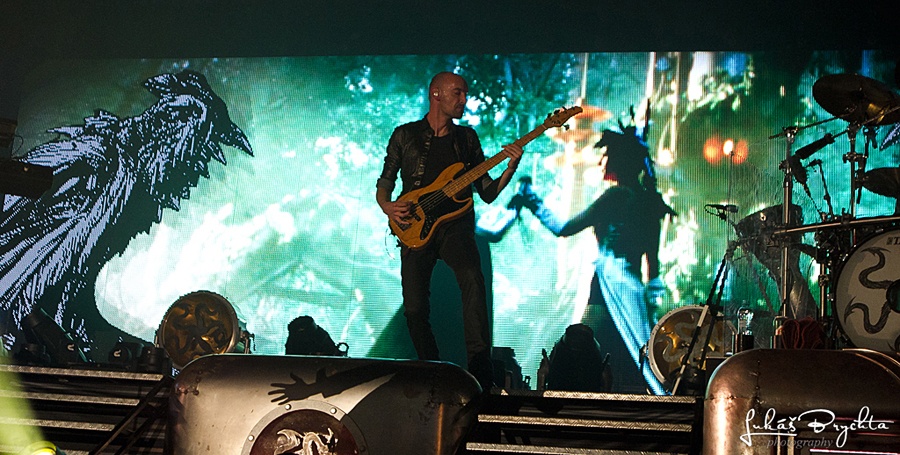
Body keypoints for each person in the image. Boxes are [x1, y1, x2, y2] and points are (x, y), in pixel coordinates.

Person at [375, 71, 524, 391]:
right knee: (414, 308)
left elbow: (487, 192)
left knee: (472, 277)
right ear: (436, 94)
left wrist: (510, 167)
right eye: (457, 93)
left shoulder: (467, 139)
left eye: (465, 94)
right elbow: (386, 180)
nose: (463, 100)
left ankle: (480, 367)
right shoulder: (404, 135)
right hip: (414, 225)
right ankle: (432, 369)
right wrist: (387, 206)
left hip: (456, 226)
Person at [520, 120, 674, 394]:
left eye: (607, 155)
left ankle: (575, 402)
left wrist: (531, 200)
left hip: (607, 288)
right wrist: (650, 306)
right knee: (626, 357)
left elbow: (564, 228)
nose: (602, 161)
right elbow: (653, 264)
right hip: (632, 294)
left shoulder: (616, 197)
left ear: (620, 161)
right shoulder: (649, 202)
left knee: (580, 351)